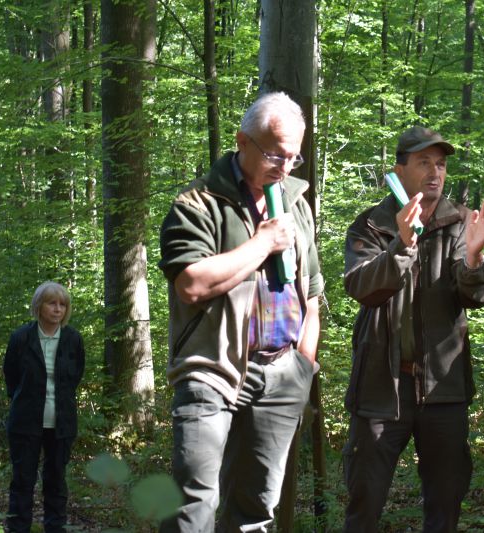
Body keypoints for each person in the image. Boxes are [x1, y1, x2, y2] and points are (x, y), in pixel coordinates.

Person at [157, 91, 323, 532]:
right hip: (212, 370)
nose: (285, 167)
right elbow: (192, 283)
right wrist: (263, 242)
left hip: (283, 375)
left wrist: (303, 364)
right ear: (242, 141)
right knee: (193, 506)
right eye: (274, 153)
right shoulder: (197, 204)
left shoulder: (297, 205)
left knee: (256, 513)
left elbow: (312, 294)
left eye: (294, 157)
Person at [342, 126, 484, 532]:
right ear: (400, 169)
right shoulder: (371, 225)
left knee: (445, 503)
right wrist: (402, 245)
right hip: (381, 388)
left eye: (441, 164)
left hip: (444, 389)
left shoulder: (461, 222)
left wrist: (477, 258)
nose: (435, 172)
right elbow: (360, 286)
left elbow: (475, 296)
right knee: (364, 500)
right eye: (424, 162)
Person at [3, 281, 85, 533]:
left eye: (63, 304)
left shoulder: (73, 339)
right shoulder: (21, 337)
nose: (58, 309)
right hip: (25, 422)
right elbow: (11, 377)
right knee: (22, 482)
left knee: (56, 482)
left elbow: (75, 377)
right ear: (39, 306)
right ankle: (18, 529)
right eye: (52, 303)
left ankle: (55, 528)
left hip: (61, 423)